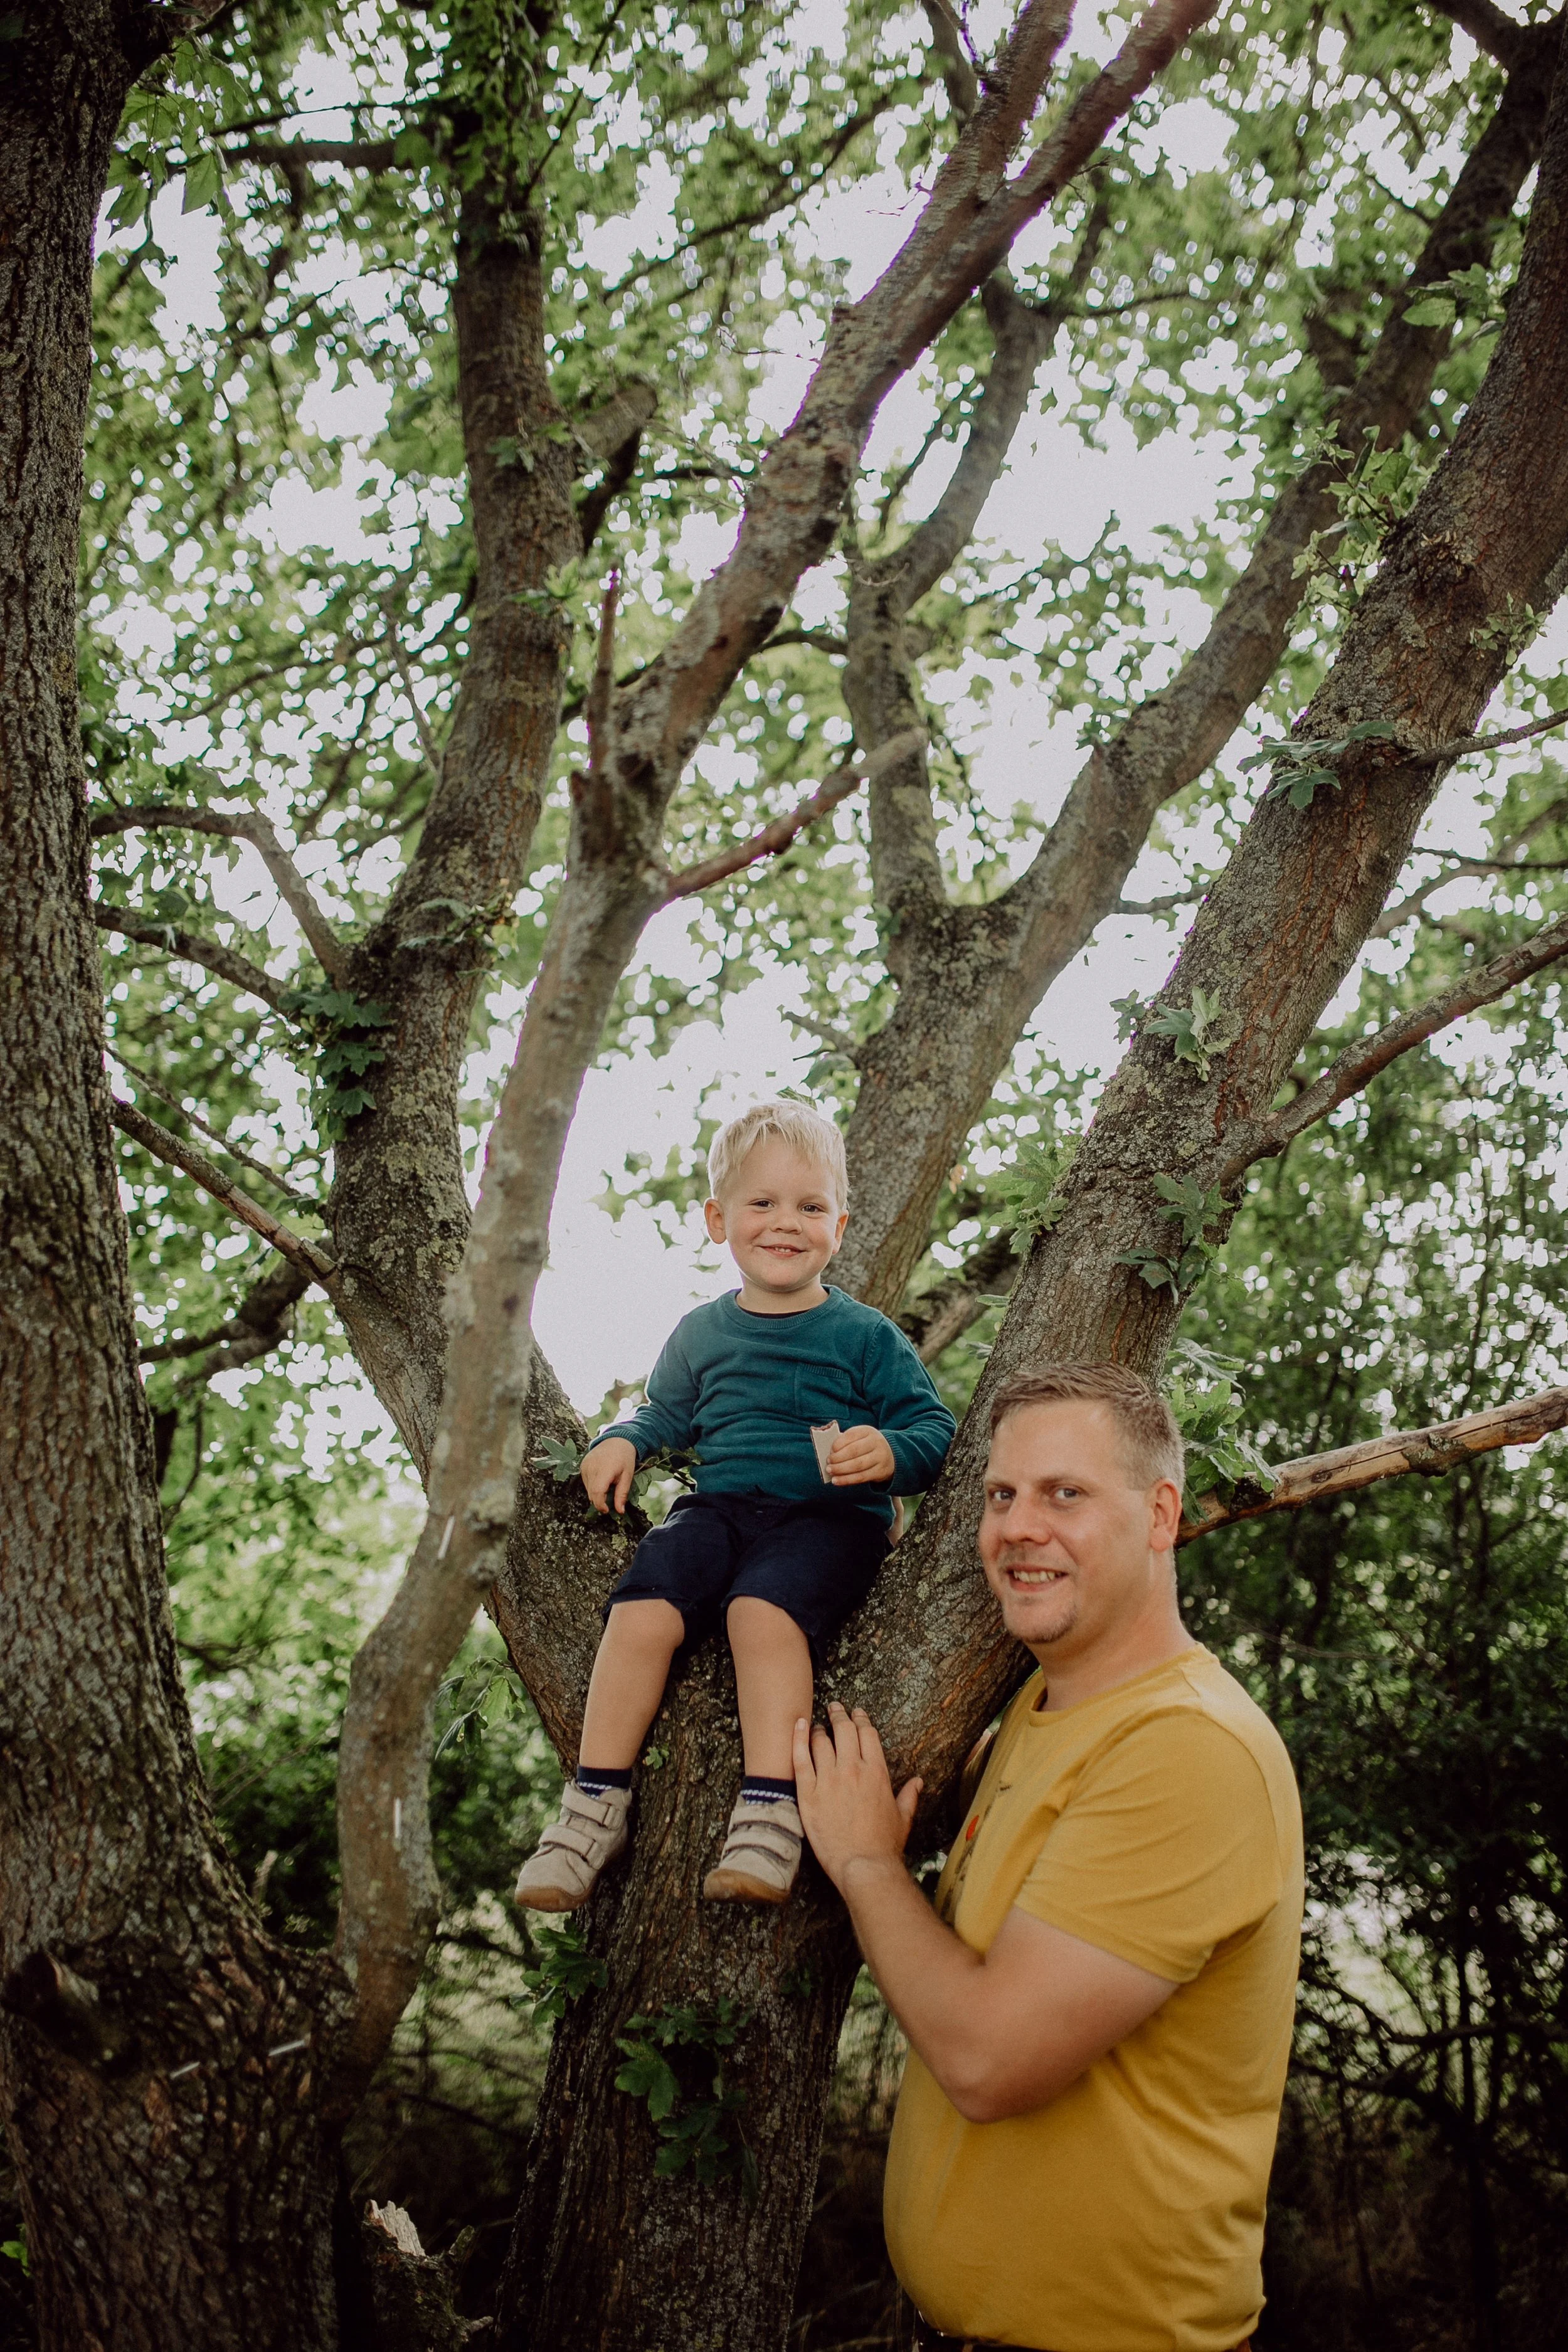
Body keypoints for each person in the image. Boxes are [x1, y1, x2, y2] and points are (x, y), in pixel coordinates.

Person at [794, 1362, 1303, 2352]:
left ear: (1161, 1514)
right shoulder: (1043, 1708)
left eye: (1065, 1492)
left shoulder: (1188, 1748)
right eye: (1002, 1493)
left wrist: (865, 1866)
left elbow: (989, 2060)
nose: (1018, 1525)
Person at [514, 1101, 956, 1914]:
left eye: (810, 1206)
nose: (786, 1222)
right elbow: (664, 1414)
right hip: (719, 1508)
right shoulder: (701, 1333)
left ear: (841, 1223)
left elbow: (934, 1429)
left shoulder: (864, 1336)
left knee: (759, 1610)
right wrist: (624, 1440)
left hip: (829, 1520)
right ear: (720, 1220)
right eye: (763, 1203)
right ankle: (593, 1803)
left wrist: (890, 1452)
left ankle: (768, 1809)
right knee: (643, 1607)